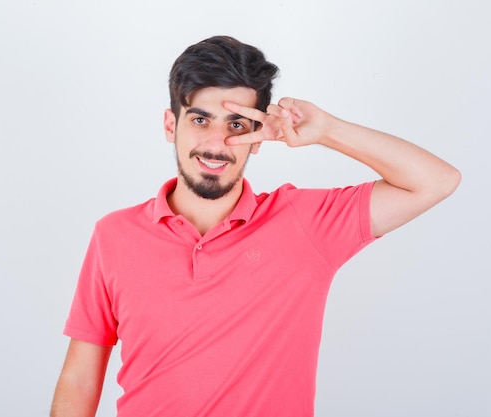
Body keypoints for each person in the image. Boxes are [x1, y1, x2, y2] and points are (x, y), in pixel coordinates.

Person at [50, 35, 461, 417]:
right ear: (170, 125)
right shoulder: (114, 235)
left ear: (259, 135)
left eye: (236, 126)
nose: (215, 143)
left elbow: (436, 181)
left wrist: (327, 131)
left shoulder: (305, 223)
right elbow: (81, 376)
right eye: (199, 120)